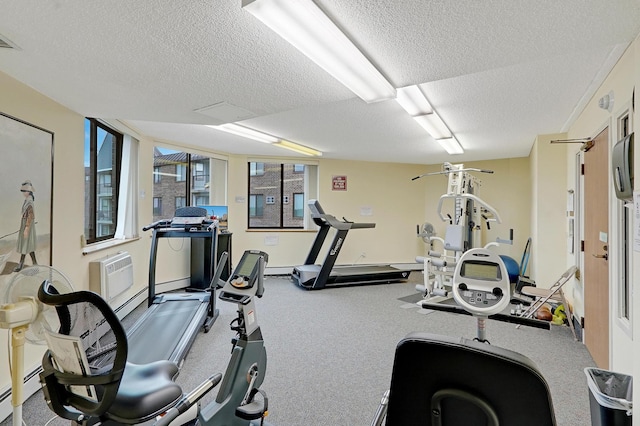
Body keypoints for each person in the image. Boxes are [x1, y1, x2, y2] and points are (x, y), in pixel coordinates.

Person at [14, 180, 37, 272]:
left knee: (26, 244)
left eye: (24, 191)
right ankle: (34, 263)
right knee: (27, 245)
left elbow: (30, 215)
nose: (23, 193)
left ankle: (21, 264)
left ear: (28, 191)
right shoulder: (27, 200)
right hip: (25, 223)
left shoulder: (29, 201)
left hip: (28, 224)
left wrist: (27, 228)